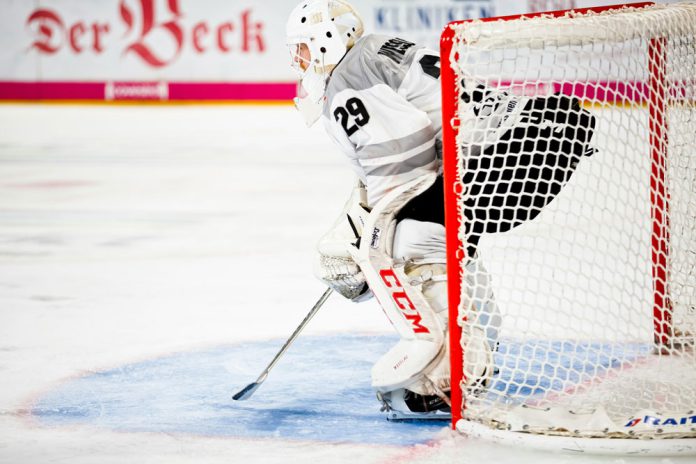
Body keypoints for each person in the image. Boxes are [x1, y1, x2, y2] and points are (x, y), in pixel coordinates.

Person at [285, 0, 596, 419]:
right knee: (440, 231)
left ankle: (449, 371)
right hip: (541, 132)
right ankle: (477, 348)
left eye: (301, 49)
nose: (298, 61)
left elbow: (405, 155)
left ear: (323, 42)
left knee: (410, 238)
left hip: (517, 149)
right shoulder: (372, 52)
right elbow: (412, 147)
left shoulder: (347, 81)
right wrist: (362, 215)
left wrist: (369, 233)